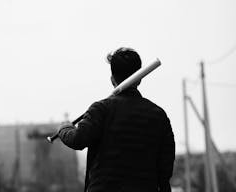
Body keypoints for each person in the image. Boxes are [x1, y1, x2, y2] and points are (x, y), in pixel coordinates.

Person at [57, 47, 175, 192]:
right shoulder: (158, 115)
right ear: (140, 79)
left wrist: (64, 128)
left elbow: (77, 139)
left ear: (112, 79)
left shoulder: (101, 109)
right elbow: (166, 166)